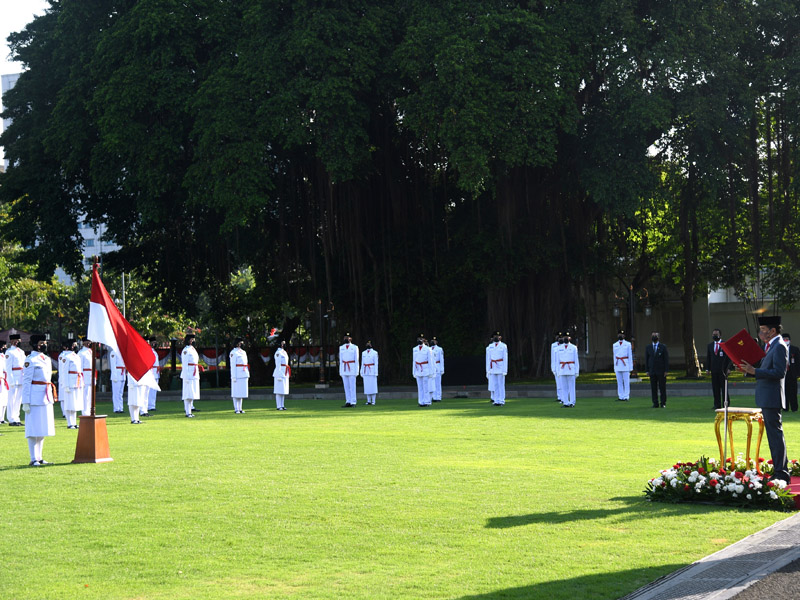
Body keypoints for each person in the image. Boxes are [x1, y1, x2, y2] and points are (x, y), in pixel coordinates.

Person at [740, 316, 790, 483]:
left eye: (763, 330)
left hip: (772, 398)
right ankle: (779, 470)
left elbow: (779, 373)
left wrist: (755, 371)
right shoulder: (771, 346)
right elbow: (764, 369)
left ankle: (781, 473)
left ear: (773, 331)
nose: (760, 334)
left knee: (775, 436)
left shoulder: (779, 346)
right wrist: (748, 370)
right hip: (767, 397)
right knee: (773, 436)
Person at [22, 334, 56, 466]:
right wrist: (25, 401)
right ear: (36, 344)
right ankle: (33, 458)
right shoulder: (30, 360)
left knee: (42, 428)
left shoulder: (46, 359)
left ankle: (40, 457)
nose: (45, 345)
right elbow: (26, 382)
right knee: (33, 428)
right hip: (34, 397)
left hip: (45, 395)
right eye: (42, 342)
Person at [706, 328, 732, 410]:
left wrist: (729, 368)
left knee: (724, 388)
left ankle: (726, 404)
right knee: (715, 388)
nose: (714, 336)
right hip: (714, 370)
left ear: (720, 335)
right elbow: (708, 358)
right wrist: (707, 369)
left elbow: (729, 357)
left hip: (723, 370)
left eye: (716, 334)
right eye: (713, 334)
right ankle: (717, 404)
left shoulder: (725, 344)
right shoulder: (710, 346)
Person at [60, 342, 84, 429]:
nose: (75, 346)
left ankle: (74, 423)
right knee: (69, 404)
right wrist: (65, 384)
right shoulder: (66, 357)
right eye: (73, 344)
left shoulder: (77, 356)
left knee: (74, 404)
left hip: (77, 382)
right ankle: (69, 423)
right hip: (70, 382)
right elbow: (64, 372)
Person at [5, 334, 26, 426]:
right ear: (11, 341)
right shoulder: (9, 352)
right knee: (12, 399)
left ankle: (16, 418)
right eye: (15, 340)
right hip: (14, 377)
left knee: (18, 399)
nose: (17, 342)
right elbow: (8, 368)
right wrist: (11, 381)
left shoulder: (21, 351)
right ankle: (11, 419)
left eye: (18, 340)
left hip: (21, 376)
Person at [645, 332, 669, 408]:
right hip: (652, 371)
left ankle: (663, 403)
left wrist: (666, 370)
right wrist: (647, 370)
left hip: (661, 371)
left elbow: (666, 359)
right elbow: (647, 359)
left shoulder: (663, 347)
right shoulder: (648, 347)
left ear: (658, 337)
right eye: (653, 336)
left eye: (655, 336)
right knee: (653, 388)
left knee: (662, 388)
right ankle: (655, 403)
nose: (654, 337)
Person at [555, 333, 580, 407]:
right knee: (564, 387)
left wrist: (576, 371)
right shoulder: (559, 348)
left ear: (570, 338)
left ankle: (572, 402)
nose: (566, 338)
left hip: (571, 368)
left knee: (572, 387)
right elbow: (557, 361)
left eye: (567, 337)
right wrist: (557, 371)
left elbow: (576, 360)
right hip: (562, 369)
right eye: (564, 337)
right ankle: (565, 402)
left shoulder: (573, 347)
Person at [180, 334, 201, 417]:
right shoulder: (186, 350)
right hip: (188, 374)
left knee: (192, 393)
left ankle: (190, 410)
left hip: (194, 373)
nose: (192, 341)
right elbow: (185, 364)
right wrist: (186, 376)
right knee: (187, 394)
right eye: (191, 339)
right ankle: (187, 412)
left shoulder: (192, 349)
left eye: (193, 340)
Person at [486, 331, 508, 406]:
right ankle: (496, 400)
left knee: (501, 384)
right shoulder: (489, 347)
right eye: (495, 336)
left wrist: (505, 370)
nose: (496, 337)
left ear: (500, 337)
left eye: (497, 336)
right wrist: (488, 370)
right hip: (493, 367)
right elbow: (488, 359)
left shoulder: (503, 346)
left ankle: (501, 400)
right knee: (495, 384)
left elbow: (505, 358)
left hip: (500, 367)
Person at [229, 337, 250, 413]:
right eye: (239, 343)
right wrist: (233, 376)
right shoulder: (233, 352)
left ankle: (240, 408)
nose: (240, 344)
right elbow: (233, 365)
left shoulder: (243, 352)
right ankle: (236, 408)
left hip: (243, 372)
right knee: (236, 392)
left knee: (241, 392)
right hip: (237, 373)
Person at [413, 335, 434, 407]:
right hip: (418, 369)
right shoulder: (415, 349)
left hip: (425, 369)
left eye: (421, 339)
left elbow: (430, 361)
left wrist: (431, 372)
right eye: (419, 339)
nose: (420, 340)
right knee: (420, 387)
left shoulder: (428, 349)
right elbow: (414, 361)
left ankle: (427, 402)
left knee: (426, 387)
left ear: (424, 340)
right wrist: (414, 371)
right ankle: (421, 402)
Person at [613, 330, 634, 402]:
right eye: (619, 334)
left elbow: (630, 355)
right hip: (618, 364)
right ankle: (620, 396)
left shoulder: (628, 344)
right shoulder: (615, 344)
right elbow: (614, 356)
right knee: (619, 382)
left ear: (624, 336)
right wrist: (614, 367)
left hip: (625, 364)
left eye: (622, 335)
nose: (620, 336)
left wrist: (631, 367)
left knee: (626, 381)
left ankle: (626, 396)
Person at [339, 333, 359, 407]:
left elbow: (356, 360)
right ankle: (348, 401)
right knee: (346, 386)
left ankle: (353, 402)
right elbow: (341, 360)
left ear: (350, 338)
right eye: (345, 337)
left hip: (352, 368)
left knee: (352, 386)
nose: (346, 338)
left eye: (347, 337)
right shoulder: (341, 347)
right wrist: (340, 371)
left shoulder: (354, 347)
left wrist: (356, 371)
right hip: (344, 368)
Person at [782, 333, 799, 413]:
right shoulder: (779, 349)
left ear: (790, 340)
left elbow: (798, 362)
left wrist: (798, 373)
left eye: (787, 339)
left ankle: (794, 408)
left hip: (792, 373)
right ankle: (785, 408)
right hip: (782, 373)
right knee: (784, 391)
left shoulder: (795, 349)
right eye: (784, 339)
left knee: (793, 391)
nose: (786, 341)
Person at [77, 339, 94, 416]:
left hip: (91, 374)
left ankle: (91, 410)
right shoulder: (81, 353)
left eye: (89, 341)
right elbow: (80, 367)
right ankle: (85, 411)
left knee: (91, 395)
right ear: (83, 342)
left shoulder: (91, 352)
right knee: (85, 395)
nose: (88, 343)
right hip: (85, 375)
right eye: (87, 341)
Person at [108, 346, 126, 413]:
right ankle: (116, 408)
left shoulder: (122, 353)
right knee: (116, 393)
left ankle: (120, 408)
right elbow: (113, 365)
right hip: (117, 374)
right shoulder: (113, 352)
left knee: (120, 393)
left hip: (122, 374)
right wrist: (114, 376)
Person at [273, 340, 290, 411]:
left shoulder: (284, 352)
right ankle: (278, 405)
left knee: (283, 390)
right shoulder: (278, 353)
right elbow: (278, 364)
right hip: (279, 372)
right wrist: (279, 374)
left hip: (285, 371)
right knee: (278, 390)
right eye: (282, 343)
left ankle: (282, 405)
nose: (283, 345)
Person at [360, 340, 379, 405]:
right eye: (367, 343)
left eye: (369, 344)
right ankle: (368, 401)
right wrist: (361, 371)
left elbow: (376, 363)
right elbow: (362, 363)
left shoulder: (375, 353)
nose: (368, 345)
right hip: (366, 371)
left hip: (372, 371)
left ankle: (373, 401)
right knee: (367, 386)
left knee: (373, 386)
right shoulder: (363, 353)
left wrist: (376, 372)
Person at [146, 336, 160, 414]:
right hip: (151, 371)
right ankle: (149, 405)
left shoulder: (154, 351)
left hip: (155, 371)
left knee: (154, 390)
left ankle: (152, 405)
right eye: (153, 343)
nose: (154, 344)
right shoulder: (148, 351)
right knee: (150, 390)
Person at [550, 332, 564, 403]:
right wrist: (553, 367)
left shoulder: (565, 346)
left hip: (563, 366)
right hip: (556, 366)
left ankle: (564, 397)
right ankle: (559, 396)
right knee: (558, 383)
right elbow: (553, 357)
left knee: (563, 383)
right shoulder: (553, 345)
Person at [430, 337, 444, 402]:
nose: (433, 341)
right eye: (432, 340)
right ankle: (433, 397)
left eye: (434, 340)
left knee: (438, 383)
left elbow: (441, 359)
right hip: (431, 367)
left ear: (436, 342)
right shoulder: (429, 349)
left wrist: (442, 369)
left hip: (437, 366)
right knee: (432, 383)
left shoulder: (439, 349)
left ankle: (438, 397)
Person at [0, 340, 9, 424]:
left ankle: (2, 418)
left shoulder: (3, 356)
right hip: (1, 379)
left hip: (4, 379)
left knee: (4, 400)